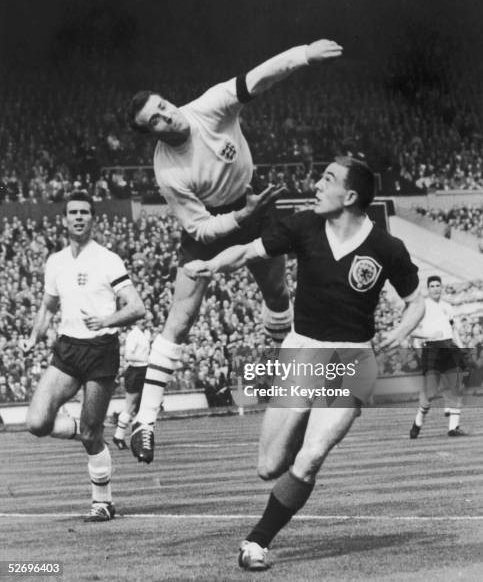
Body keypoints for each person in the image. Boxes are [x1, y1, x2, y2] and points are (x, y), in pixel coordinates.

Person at [185, 156, 425, 571]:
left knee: (312, 456)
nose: (316, 184)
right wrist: (212, 264)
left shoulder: (387, 248)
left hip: (351, 358)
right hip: (301, 350)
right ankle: (297, 440)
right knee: (269, 467)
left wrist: (399, 333)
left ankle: (257, 542)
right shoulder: (303, 226)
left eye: (327, 178)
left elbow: (416, 301)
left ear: (349, 195)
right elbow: (247, 251)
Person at [126, 38, 343, 463]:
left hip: (254, 206)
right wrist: (239, 219)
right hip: (221, 221)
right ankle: (144, 421)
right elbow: (201, 228)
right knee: (181, 319)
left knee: (279, 297)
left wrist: (303, 55)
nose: (167, 115)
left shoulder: (209, 106)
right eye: (156, 119)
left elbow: (258, 77)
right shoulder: (168, 170)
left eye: (164, 105)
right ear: (151, 133)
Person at [23, 191, 145, 522]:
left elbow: (137, 307)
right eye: (73, 212)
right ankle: (80, 424)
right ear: (65, 219)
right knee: (36, 423)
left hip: (100, 350)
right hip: (67, 349)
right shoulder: (56, 262)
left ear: (93, 219)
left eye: (85, 212)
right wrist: (35, 335)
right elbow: (48, 305)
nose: (79, 217)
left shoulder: (108, 260)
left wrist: (107, 320)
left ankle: (103, 502)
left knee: (92, 436)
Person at [409, 275, 468, 439]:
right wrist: (429, 334)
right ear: (428, 289)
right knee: (430, 393)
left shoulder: (448, 307)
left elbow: (454, 329)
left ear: (441, 287)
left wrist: (461, 345)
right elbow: (411, 330)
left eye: (438, 285)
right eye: (432, 286)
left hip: (449, 347)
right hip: (432, 349)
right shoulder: (422, 307)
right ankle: (418, 421)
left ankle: (453, 428)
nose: (436, 288)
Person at [113, 317, 151, 450]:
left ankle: (137, 436)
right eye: (141, 320)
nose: (144, 322)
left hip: (145, 370)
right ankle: (118, 436)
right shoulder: (133, 335)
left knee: (143, 407)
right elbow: (128, 356)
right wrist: (146, 359)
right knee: (130, 405)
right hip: (136, 370)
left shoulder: (147, 333)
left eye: (144, 319)